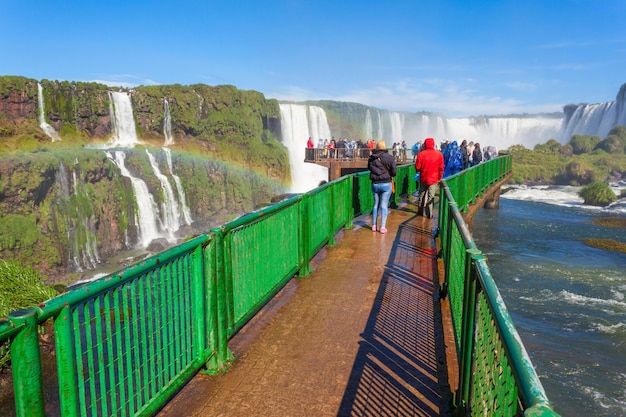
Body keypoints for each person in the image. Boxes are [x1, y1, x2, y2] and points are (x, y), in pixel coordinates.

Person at [368, 140, 397, 233]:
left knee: (376, 204)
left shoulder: (371, 158)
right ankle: (382, 227)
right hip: (386, 184)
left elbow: (369, 168)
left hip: (375, 183)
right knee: (384, 205)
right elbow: (394, 172)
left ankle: (374, 225)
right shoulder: (389, 157)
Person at [414, 137, 444, 218]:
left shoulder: (421, 154)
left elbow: (417, 167)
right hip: (434, 179)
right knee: (431, 197)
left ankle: (420, 211)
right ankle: (429, 214)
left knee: (422, 195)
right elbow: (441, 168)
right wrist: (439, 178)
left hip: (423, 178)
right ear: (433, 144)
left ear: (425, 145)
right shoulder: (439, 154)